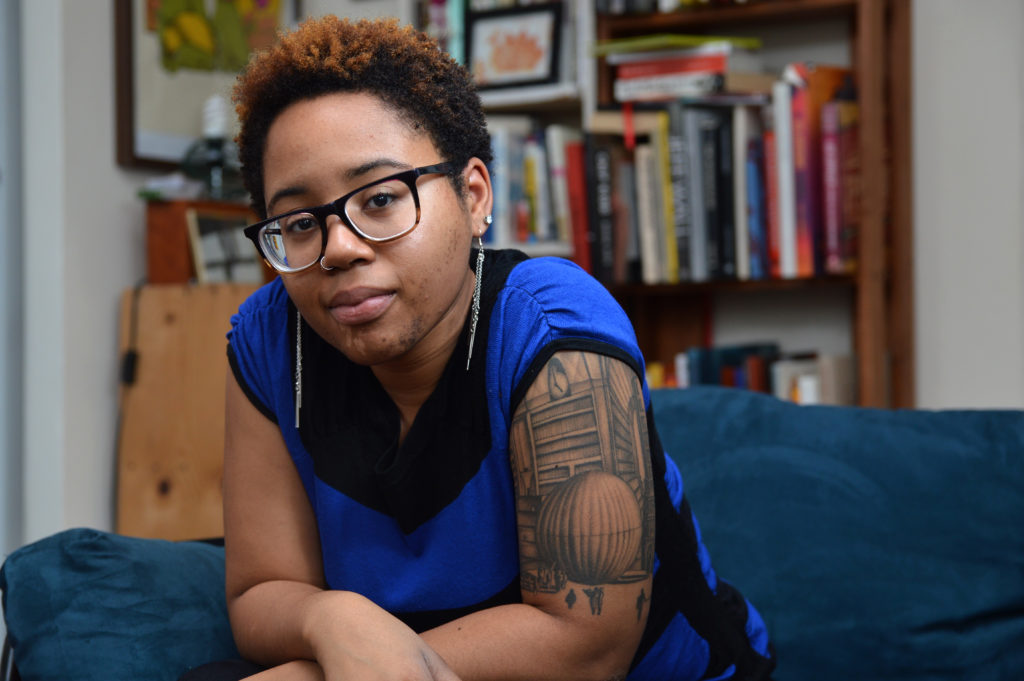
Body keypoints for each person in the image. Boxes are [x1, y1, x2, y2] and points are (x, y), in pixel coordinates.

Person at [189, 14, 775, 681]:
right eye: (299, 222)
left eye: (380, 199)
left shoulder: (552, 325)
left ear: (473, 196)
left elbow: (586, 645)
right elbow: (260, 591)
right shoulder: (270, 339)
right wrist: (333, 619)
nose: (340, 248)